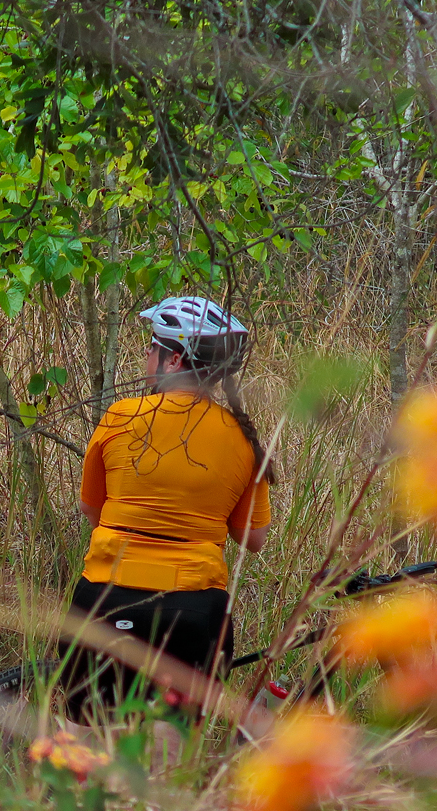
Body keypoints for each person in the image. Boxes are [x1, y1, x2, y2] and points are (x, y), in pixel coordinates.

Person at [61, 295, 276, 725]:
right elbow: (253, 539)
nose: (147, 356)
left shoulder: (120, 417)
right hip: (193, 608)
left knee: (85, 739)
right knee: (170, 746)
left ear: (173, 359)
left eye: (152, 347)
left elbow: (91, 507)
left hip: (106, 596)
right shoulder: (242, 439)